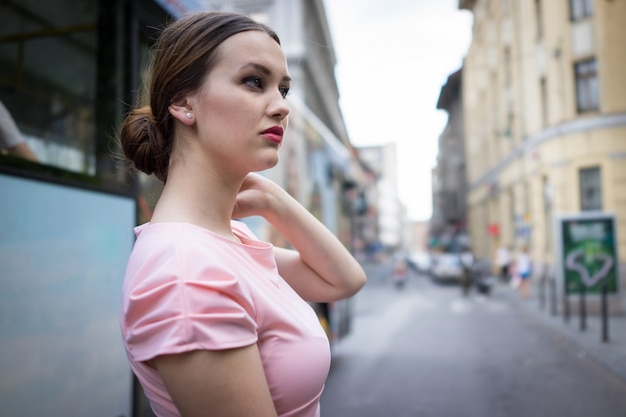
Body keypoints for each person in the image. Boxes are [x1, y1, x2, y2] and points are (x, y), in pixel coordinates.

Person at [118, 11, 366, 417]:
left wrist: (273, 199)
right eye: (254, 81)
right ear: (182, 102)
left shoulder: (229, 240)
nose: (281, 107)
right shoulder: (188, 272)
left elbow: (344, 280)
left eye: (283, 89)